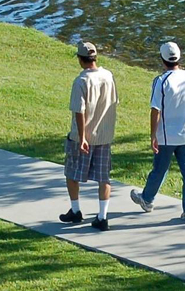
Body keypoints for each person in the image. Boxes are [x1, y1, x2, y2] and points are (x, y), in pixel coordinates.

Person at [130, 41, 185, 223]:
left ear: (162, 59)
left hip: (166, 135)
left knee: (160, 169)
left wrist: (153, 134)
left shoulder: (161, 81)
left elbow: (156, 110)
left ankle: (147, 199)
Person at [59, 41, 119, 231]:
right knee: (104, 177)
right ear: (95, 58)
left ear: (80, 59)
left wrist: (83, 137)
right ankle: (102, 217)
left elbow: (79, 111)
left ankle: (76, 211)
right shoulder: (108, 76)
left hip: (82, 138)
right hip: (104, 136)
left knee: (71, 173)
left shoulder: (81, 81)